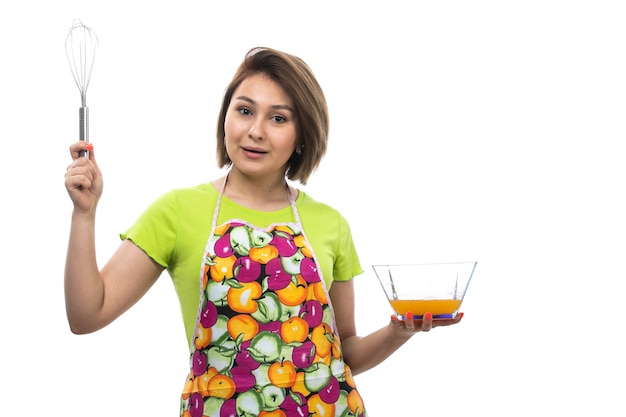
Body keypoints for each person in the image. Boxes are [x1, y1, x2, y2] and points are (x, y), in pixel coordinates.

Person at [64, 46, 463, 417]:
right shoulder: (178, 210)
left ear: (302, 135)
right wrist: (85, 214)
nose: (255, 130)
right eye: (244, 111)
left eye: (278, 118)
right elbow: (86, 315)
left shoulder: (330, 224)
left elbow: (346, 354)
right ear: (225, 118)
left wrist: (399, 332)